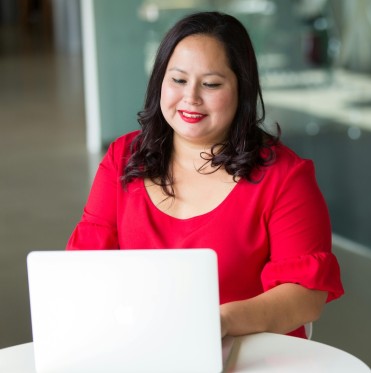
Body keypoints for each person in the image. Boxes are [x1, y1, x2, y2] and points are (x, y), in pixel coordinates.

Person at [67, 11, 343, 339]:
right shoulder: (123, 158)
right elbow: (84, 268)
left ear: (242, 89)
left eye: (211, 84)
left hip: (249, 353)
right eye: (178, 79)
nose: (191, 97)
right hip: (143, 347)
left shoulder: (285, 178)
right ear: (159, 82)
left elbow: (305, 296)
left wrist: (220, 323)